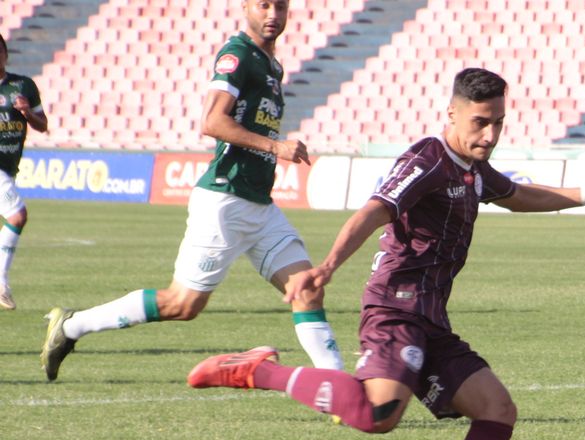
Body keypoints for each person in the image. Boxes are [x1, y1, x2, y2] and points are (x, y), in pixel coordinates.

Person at [187, 67, 585, 440]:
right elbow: (374, 209)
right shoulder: (428, 159)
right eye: (479, 122)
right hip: (395, 308)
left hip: (431, 318)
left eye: (498, 123)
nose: (489, 135)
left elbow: (516, 195)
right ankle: (256, 370)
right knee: (377, 416)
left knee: (496, 408)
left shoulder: (472, 169)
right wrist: (326, 267)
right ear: (452, 113)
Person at [41, 0, 343, 380]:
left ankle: (337, 388)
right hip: (225, 201)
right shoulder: (237, 56)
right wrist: (275, 147)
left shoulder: (272, 65)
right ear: (246, 7)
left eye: (280, 6)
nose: (273, 15)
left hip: (260, 206)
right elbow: (212, 121)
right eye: (263, 5)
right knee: (182, 304)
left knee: (307, 288)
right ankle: (71, 326)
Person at [0, 33, 50, 310]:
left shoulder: (23, 86)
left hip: (8, 167)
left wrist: (27, 111)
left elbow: (42, 125)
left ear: (6, 54)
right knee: (17, 215)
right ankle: (1, 281)